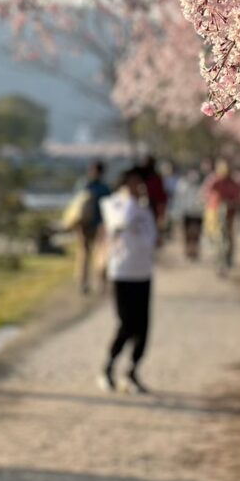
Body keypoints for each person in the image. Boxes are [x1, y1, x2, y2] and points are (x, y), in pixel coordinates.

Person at [98, 167, 157, 394]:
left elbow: (151, 239)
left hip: (143, 273)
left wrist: (141, 205)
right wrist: (129, 200)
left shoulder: (144, 211)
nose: (136, 188)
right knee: (126, 323)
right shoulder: (113, 205)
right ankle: (108, 366)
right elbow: (120, 222)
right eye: (132, 183)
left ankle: (132, 371)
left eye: (139, 184)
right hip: (121, 273)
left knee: (143, 326)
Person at [76, 160, 111, 295]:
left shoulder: (84, 186)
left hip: (89, 226)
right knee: (98, 255)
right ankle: (98, 283)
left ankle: (86, 283)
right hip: (95, 225)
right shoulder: (104, 188)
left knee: (88, 255)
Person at [203, 159, 240, 273]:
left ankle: (228, 257)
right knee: (216, 236)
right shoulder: (213, 181)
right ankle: (217, 259)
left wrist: (232, 202)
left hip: (229, 214)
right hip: (215, 212)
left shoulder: (233, 182)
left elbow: (237, 197)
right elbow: (206, 193)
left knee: (228, 236)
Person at [171, 167, 205, 260]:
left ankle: (195, 251)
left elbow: (204, 199)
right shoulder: (182, 185)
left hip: (198, 214)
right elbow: (178, 200)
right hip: (187, 213)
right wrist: (177, 213)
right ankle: (188, 251)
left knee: (197, 233)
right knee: (187, 234)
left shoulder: (201, 186)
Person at [141, 155, 168, 230]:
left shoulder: (156, 177)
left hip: (153, 205)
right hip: (144, 205)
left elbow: (160, 194)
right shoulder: (141, 177)